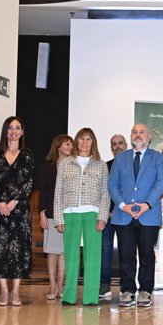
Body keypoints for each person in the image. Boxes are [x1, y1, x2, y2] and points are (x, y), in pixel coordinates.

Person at [109, 124, 163, 308]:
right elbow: (112, 185)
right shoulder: (120, 158)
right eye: (134, 132)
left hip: (148, 215)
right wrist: (123, 206)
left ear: (149, 138)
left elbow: (161, 183)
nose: (138, 135)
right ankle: (127, 290)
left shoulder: (157, 158)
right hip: (123, 214)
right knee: (126, 255)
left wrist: (146, 205)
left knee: (146, 255)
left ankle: (145, 291)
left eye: (142, 132)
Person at [0, 116, 34, 307]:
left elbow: (29, 181)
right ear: (6, 131)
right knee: (0, 249)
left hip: (19, 209)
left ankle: (16, 292)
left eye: (17, 128)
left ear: (22, 132)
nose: (13, 131)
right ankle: (4, 291)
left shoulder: (27, 154)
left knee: (19, 249)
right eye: (10, 128)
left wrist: (15, 201)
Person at [54, 128, 110, 306]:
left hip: (93, 213)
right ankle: (69, 295)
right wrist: (58, 218)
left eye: (88, 139)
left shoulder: (100, 165)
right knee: (70, 256)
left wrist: (102, 217)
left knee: (93, 256)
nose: (85, 142)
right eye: (81, 139)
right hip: (70, 213)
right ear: (77, 142)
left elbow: (105, 193)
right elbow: (58, 192)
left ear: (93, 142)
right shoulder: (65, 164)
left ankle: (91, 297)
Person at [38, 134, 73, 300]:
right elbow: (43, 191)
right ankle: (52, 285)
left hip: (69, 214)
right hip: (51, 213)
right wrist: (42, 213)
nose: (70, 147)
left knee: (64, 252)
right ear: (58, 146)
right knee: (52, 251)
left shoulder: (74, 165)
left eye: (71, 145)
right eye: (67, 144)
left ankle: (61, 284)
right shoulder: (48, 166)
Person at [99, 133, 128, 299]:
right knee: (105, 251)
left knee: (126, 252)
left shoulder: (133, 166)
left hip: (125, 216)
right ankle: (104, 285)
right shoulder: (105, 166)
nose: (117, 146)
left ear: (126, 145)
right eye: (114, 144)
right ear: (111, 148)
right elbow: (104, 191)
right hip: (107, 216)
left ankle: (127, 287)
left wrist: (119, 209)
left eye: (120, 143)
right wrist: (107, 211)